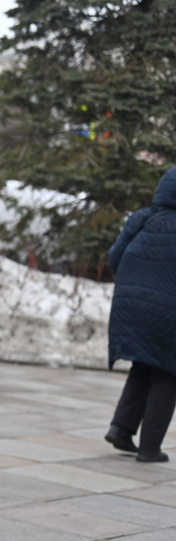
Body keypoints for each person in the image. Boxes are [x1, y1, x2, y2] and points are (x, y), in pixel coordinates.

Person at [104, 166, 176, 463]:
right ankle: (149, 448)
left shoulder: (143, 217)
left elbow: (114, 257)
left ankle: (121, 429)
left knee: (144, 365)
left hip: (128, 304)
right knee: (168, 372)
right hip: (167, 311)